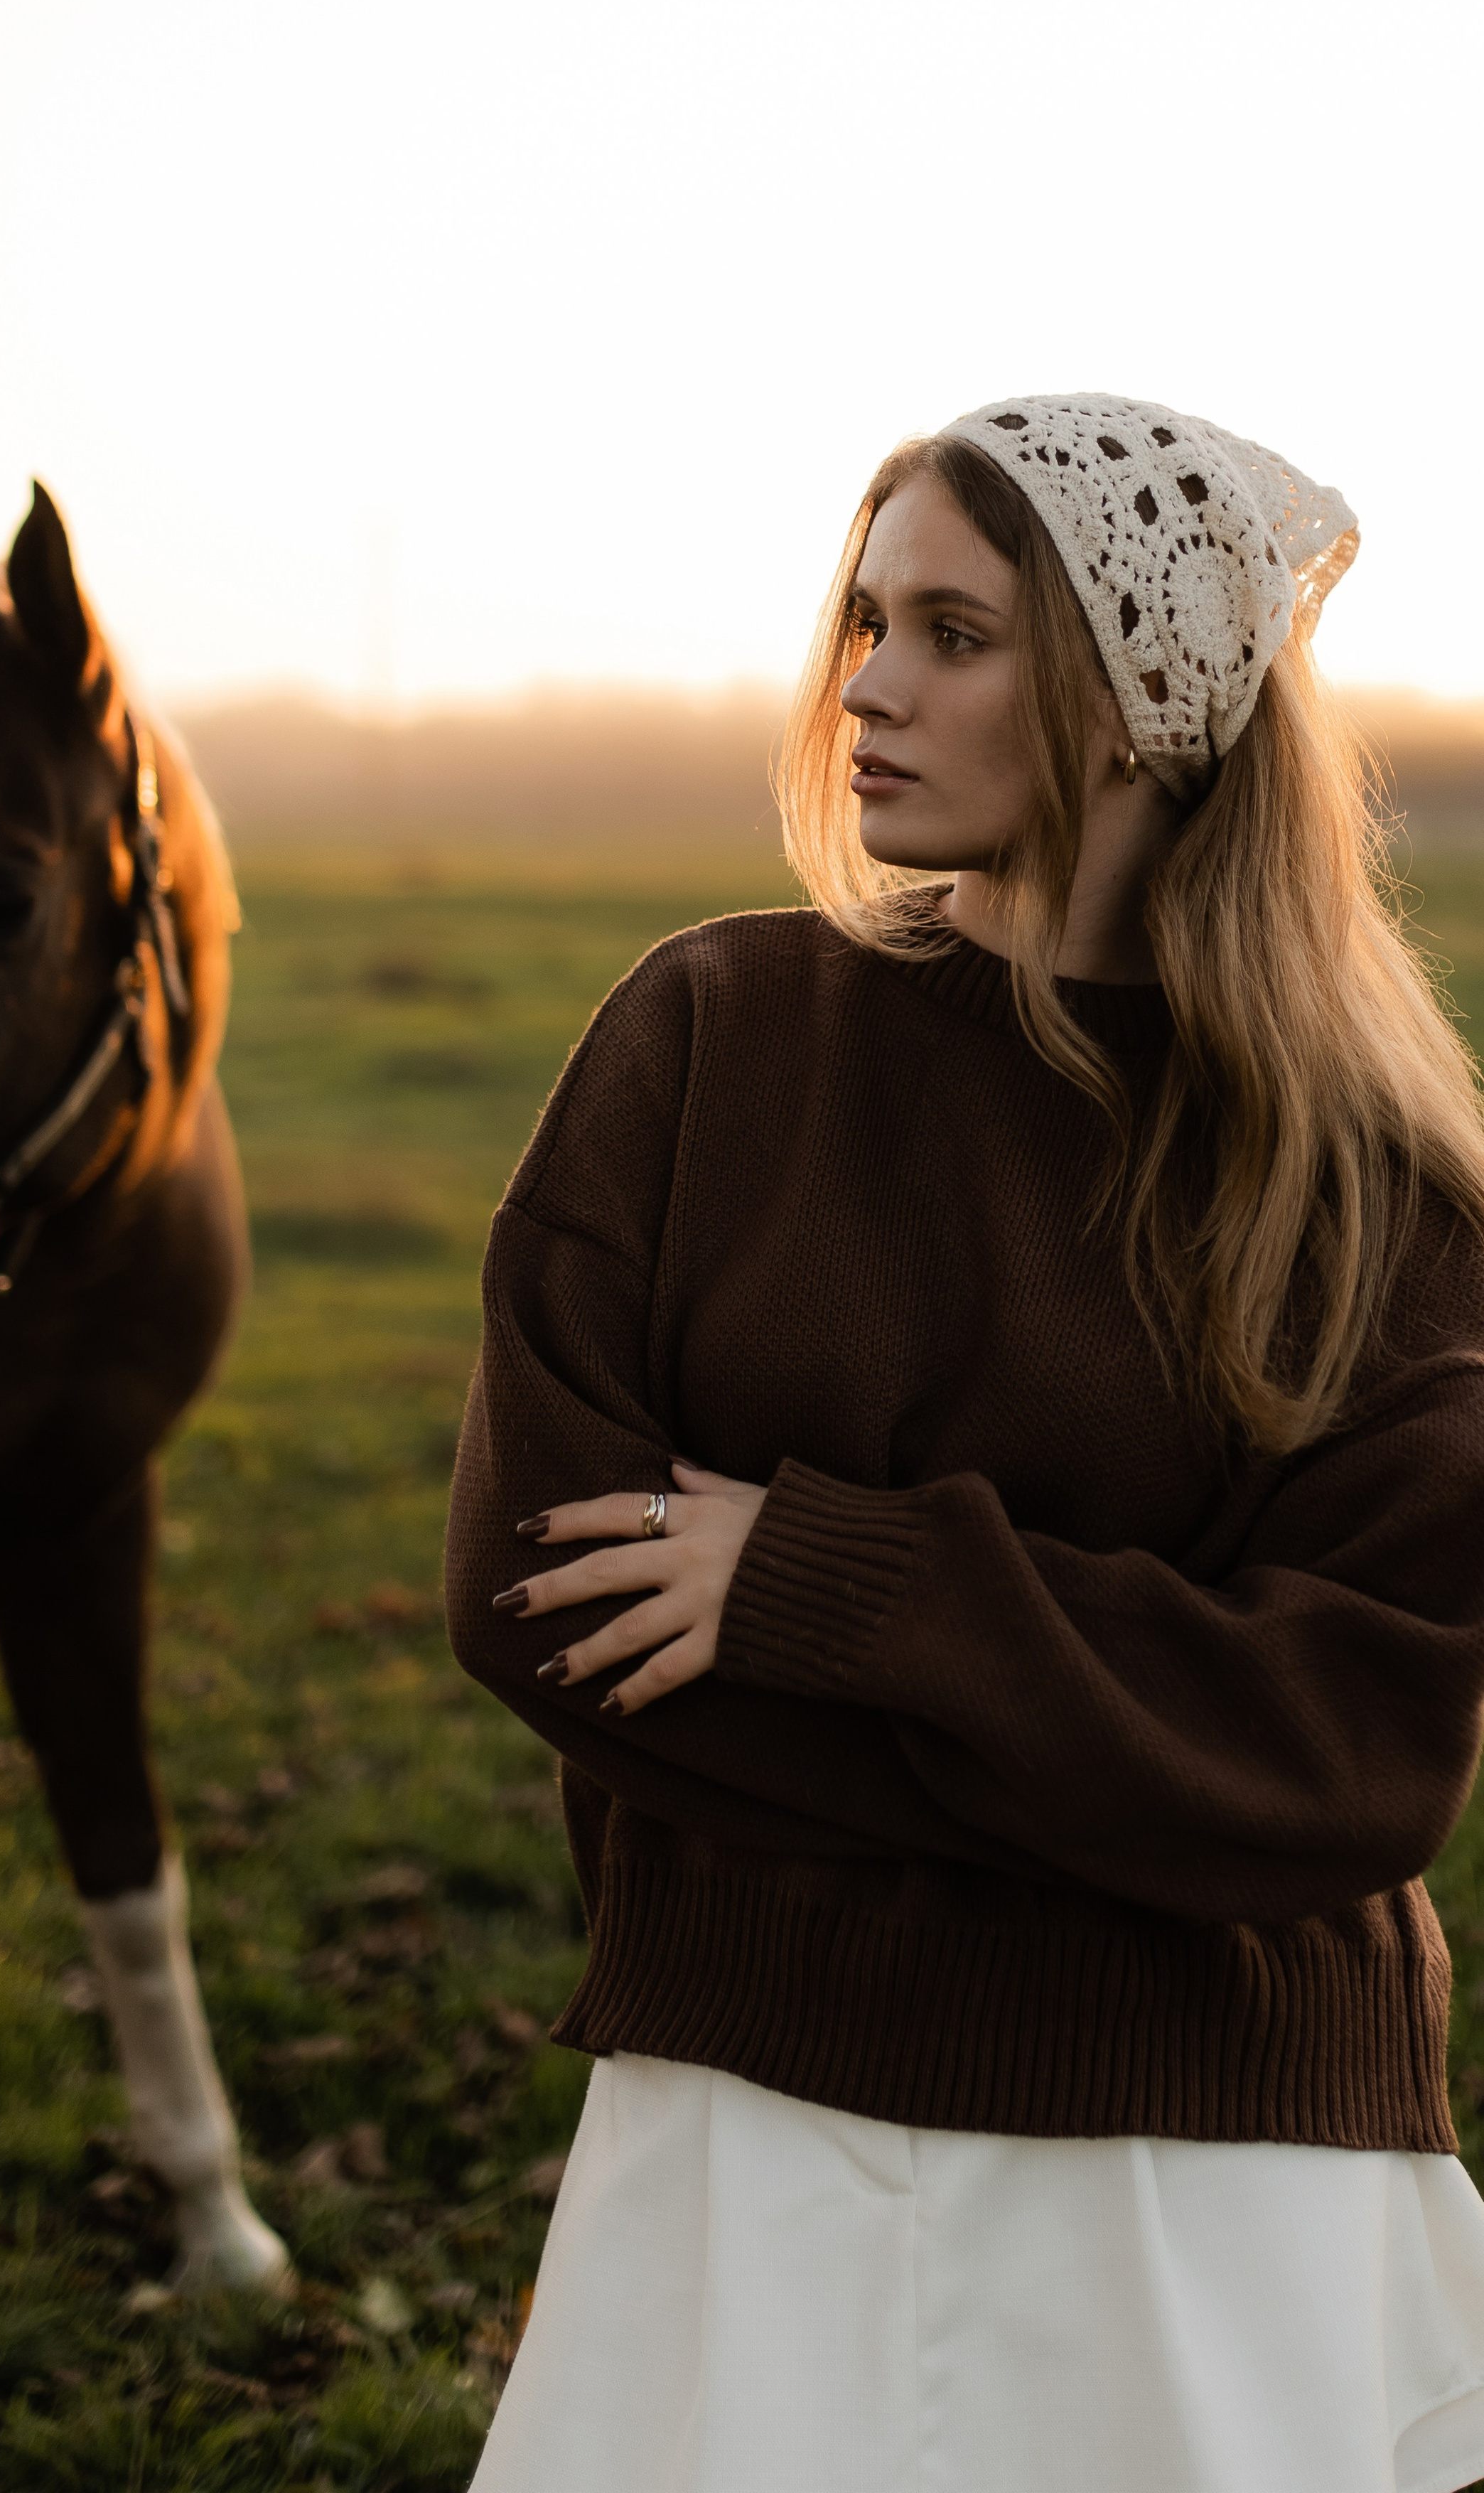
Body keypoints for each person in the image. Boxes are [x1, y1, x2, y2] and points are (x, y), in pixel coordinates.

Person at [443, 395, 1484, 2493]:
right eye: (862, 618)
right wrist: (1127, 1761)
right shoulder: (713, 1037)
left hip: (1222, 2183)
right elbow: (535, 1595)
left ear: (1134, 704)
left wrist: (830, 1593)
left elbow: (1351, 1757)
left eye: (951, 632)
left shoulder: (1379, 1193)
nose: (864, 685)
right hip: (762, 2113)